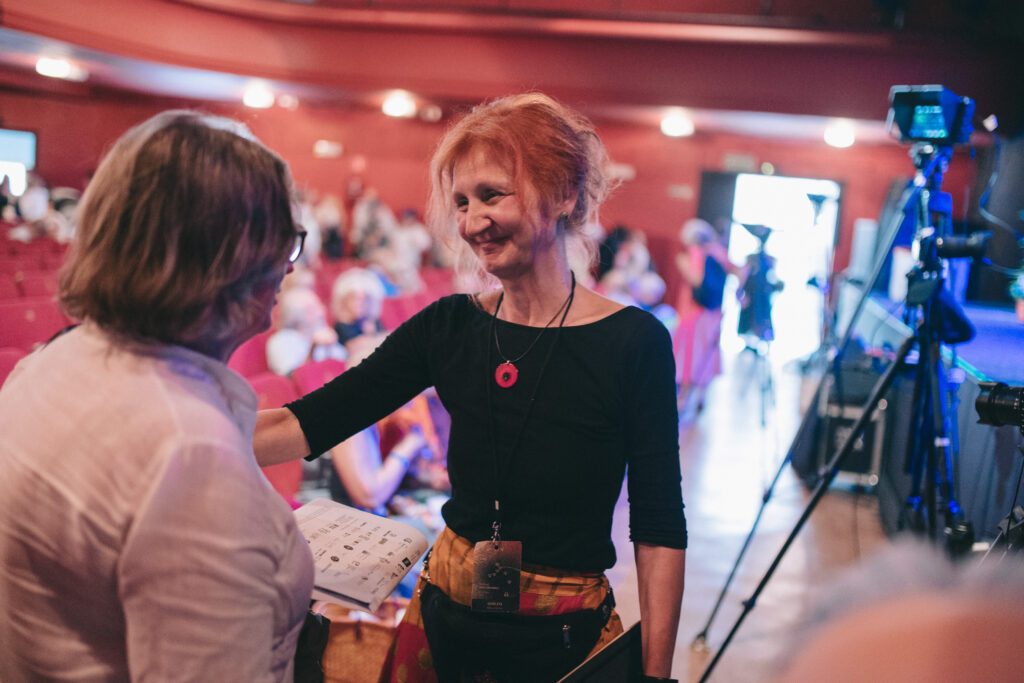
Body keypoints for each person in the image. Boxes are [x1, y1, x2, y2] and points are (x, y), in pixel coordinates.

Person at [255, 92, 686, 682]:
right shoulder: (450, 324)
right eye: (460, 201)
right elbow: (308, 421)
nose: (470, 222)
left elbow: (658, 523)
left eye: (491, 195)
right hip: (442, 620)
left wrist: (655, 675)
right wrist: (168, 434)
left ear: (563, 194)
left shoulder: (632, 342)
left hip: (560, 637)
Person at [0, 111, 315, 681]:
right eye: (285, 242)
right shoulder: (191, 456)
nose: (288, 269)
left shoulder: (44, 365)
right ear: (233, 260)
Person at [674, 217, 738, 417]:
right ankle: (701, 398)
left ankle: (682, 400)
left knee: (689, 355)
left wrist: (683, 264)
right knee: (707, 352)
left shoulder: (695, 253)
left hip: (694, 312)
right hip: (714, 312)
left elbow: (696, 279)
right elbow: (738, 271)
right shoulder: (719, 252)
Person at [266, 286, 347, 376]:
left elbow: (344, 363)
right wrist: (314, 347)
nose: (321, 313)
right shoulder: (281, 341)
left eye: (319, 306)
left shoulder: (322, 333)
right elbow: (293, 378)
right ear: (294, 317)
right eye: (312, 310)